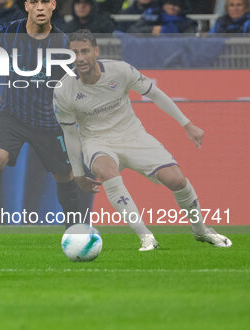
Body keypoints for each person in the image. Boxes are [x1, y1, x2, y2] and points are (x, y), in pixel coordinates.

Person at [54, 29, 232, 251]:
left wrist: (186, 124)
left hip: (133, 135)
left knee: (176, 180)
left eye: (85, 51)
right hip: (97, 141)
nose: (80, 58)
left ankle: (201, 230)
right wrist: (79, 174)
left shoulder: (120, 71)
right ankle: (146, 236)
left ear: (96, 51)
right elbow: (70, 133)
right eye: (74, 53)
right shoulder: (63, 90)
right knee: (106, 170)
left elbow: (155, 94)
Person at [0, 0, 99, 244]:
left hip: (49, 121)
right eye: (34, 2)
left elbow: (76, 83)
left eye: (45, 2)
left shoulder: (63, 42)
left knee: (64, 174)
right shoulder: (5, 33)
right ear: (26, 6)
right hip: (12, 114)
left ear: (53, 6)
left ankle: (73, 229)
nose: (40, 7)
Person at [128, 0, 196, 34]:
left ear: (183, 8)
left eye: (177, 5)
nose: (172, 7)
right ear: (162, 4)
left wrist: (167, 31)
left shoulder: (187, 23)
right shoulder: (153, 16)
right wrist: (152, 30)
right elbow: (132, 31)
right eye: (169, 3)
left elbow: (189, 42)